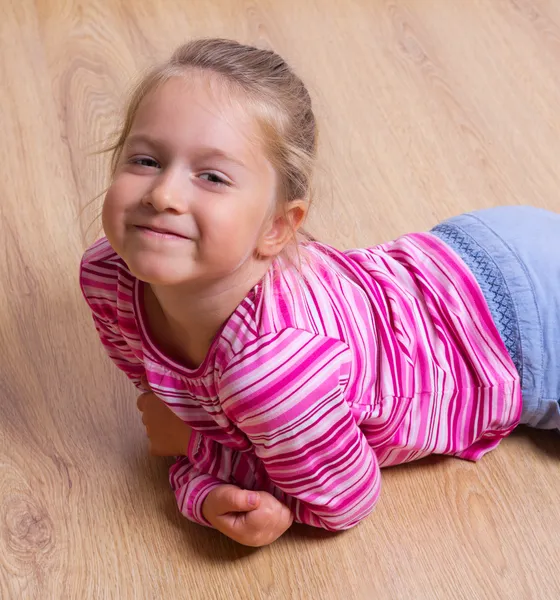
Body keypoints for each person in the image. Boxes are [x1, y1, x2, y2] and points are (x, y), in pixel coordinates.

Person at [80, 38, 560, 548]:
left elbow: (346, 500)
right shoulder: (108, 278)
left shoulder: (272, 372)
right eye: (146, 160)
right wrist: (196, 481)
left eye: (213, 176)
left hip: (524, 339)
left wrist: (193, 447)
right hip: (463, 254)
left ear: (277, 228)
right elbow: (174, 411)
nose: (164, 194)